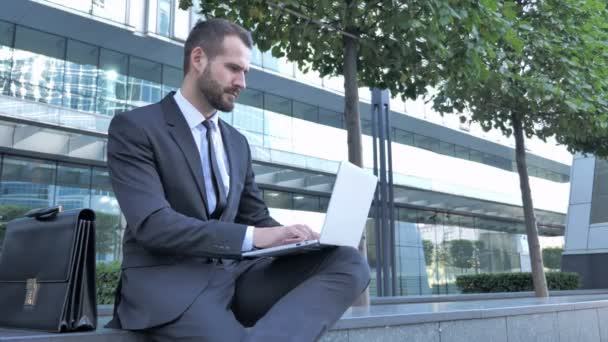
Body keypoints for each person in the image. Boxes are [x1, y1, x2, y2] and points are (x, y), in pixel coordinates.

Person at [105, 18, 370, 342]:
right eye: (233, 68)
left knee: (348, 262)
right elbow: (153, 225)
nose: (242, 82)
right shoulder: (136, 128)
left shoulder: (236, 143)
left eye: (245, 72)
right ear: (198, 59)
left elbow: (255, 217)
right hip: (171, 287)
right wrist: (256, 236)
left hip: (236, 278)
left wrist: (297, 239)